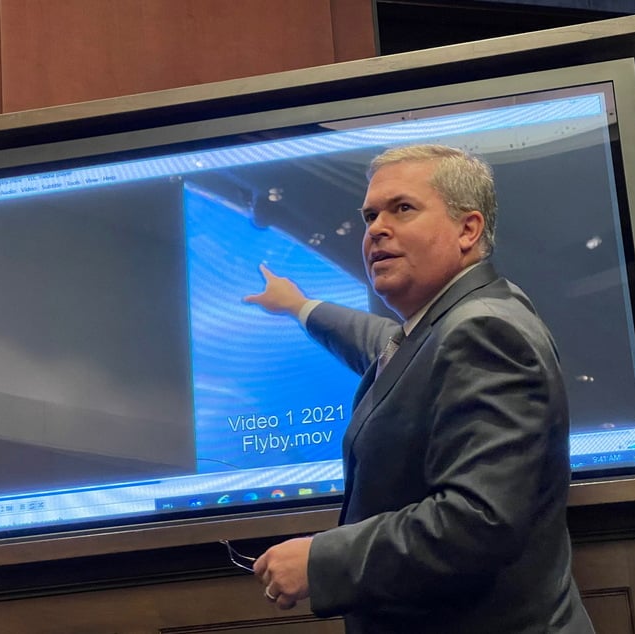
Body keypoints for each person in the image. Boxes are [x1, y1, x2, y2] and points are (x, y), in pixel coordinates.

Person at [243, 144, 594, 633]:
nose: (376, 229)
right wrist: (298, 305)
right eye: (369, 215)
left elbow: (477, 522)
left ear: (468, 229)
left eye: (402, 209)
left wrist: (323, 560)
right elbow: (379, 344)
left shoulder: (483, 332)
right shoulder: (453, 321)